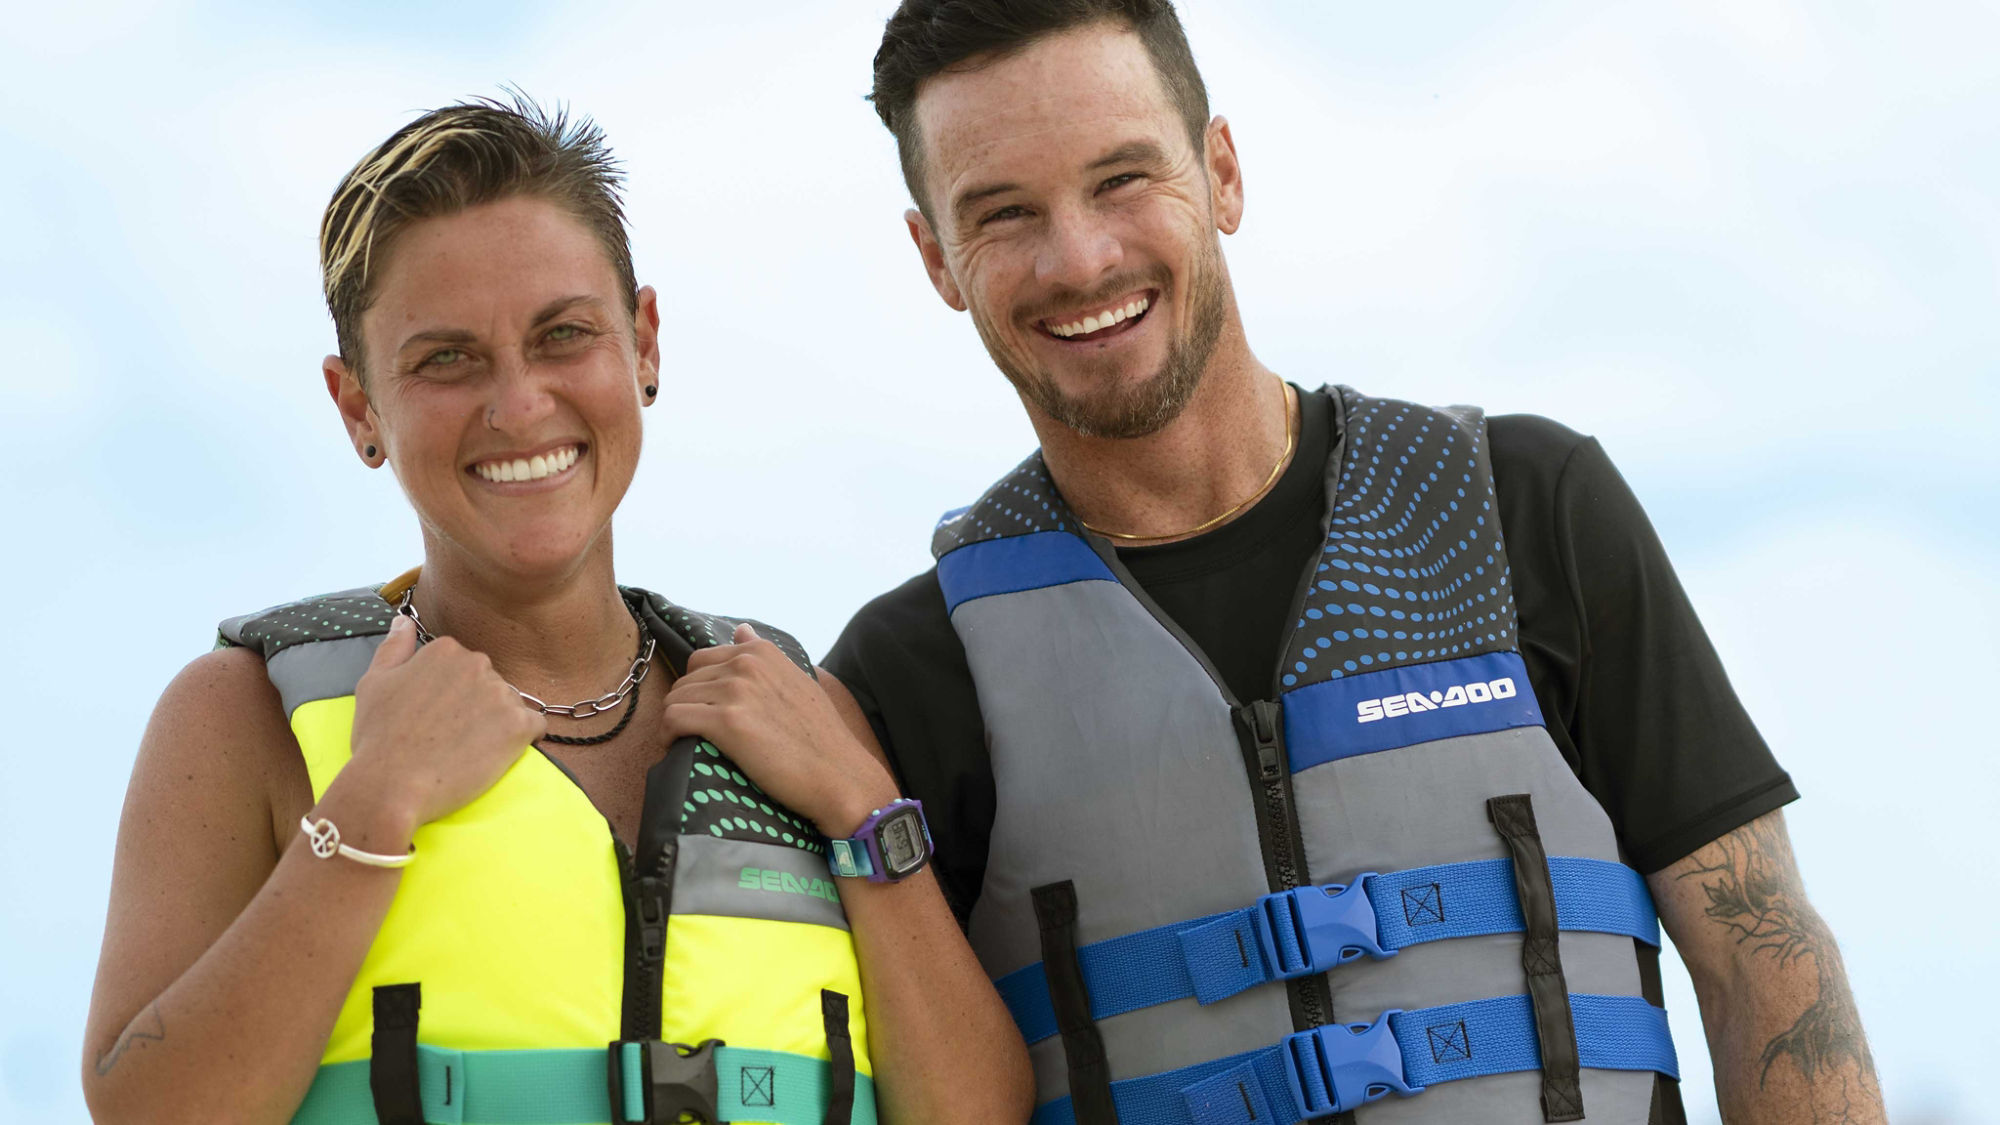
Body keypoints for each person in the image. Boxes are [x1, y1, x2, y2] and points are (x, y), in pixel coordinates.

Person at [826, 4, 1885, 1124]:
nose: (1079, 257)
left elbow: (1758, 950)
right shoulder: (907, 678)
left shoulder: (1525, 506)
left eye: (1122, 180)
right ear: (935, 258)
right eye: (1003, 213)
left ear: (1220, 173)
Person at [81, 96, 1033, 1125]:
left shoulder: (798, 707)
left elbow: (977, 1110)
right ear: (357, 405)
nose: (519, 404)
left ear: (644, 345)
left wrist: (861, 812)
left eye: (563, 335)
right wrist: (369, 806)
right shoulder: (245, 718)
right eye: (445, 359)